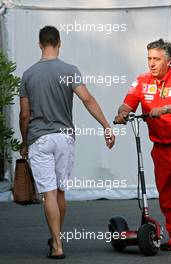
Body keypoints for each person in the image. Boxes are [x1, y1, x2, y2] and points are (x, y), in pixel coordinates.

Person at [19, 25, 115, 259]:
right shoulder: (69, 70)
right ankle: (56, 238)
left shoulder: (28, 74)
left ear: (39, 44)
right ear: (59, 43)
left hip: (39, 139)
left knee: (48, 194)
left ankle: (58, 245)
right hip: (64, 138)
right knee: (60, 191)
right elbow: (87, 99)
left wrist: (24, 141)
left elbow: (24, 114)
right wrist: (106, 126)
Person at [114, 38, 171, 251]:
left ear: (169, 60)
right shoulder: (142, 80)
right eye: (149, 59)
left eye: (156, 59)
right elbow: (128, 102)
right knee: (168, 197)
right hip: (161, 149)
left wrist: (166, 109)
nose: (151, 63)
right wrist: (123, 113)